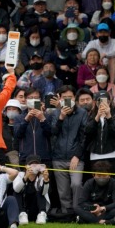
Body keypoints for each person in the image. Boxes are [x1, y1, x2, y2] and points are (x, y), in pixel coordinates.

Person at [50, 85, 88, 218]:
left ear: (74, 98)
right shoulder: (55, 113)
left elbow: (84, 136)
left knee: (76, 184)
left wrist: (77, 155)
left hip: (75, 157)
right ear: (59, 98)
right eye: (64, 97)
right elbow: (53, 132)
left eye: (70, 97)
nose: (67, 99)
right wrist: (61, 117)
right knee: (63, 190)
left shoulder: (82, 113)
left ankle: (78, 212)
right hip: (58, 157)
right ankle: (67, 213)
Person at [75, 160, 115, 225]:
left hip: (107, 210)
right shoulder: (89, 183)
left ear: (109, 174)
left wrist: (103, 208)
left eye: (104, 175)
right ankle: (104, 222)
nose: (101, 178)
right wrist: (94, 208)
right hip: (92, 210)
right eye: (99, 176)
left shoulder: (114, 183)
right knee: (76, 207)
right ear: (93, 175)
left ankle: (87, 220)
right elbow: (81, 202)